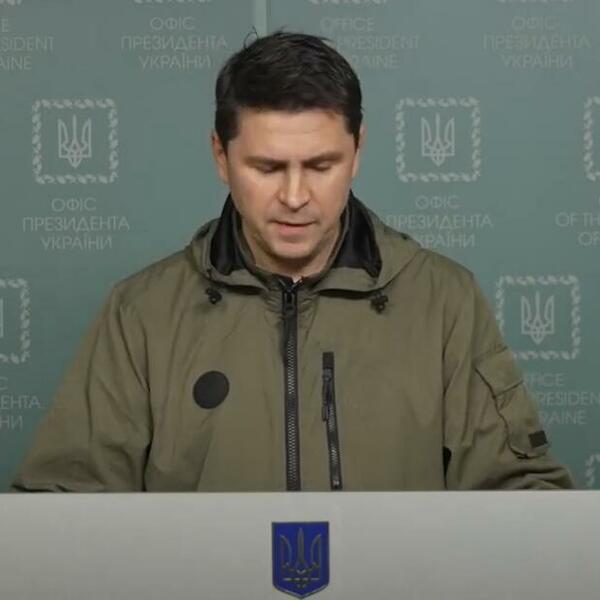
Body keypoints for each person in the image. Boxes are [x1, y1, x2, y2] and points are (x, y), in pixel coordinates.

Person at [12, 31, 574, 492]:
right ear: (220, 156)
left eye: (321, 165)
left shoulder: (446, 301)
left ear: (358, 152)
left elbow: (522, 501)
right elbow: (63, 514)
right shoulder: (140, 313)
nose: (296, 196)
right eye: (267, 168)